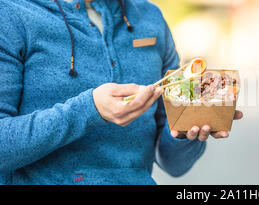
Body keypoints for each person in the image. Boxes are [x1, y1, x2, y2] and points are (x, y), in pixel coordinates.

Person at [0, 0, 243, 185]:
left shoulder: (150, 17)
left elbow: (174, 165)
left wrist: (189, 127)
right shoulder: (11, 15)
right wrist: (90, 109)